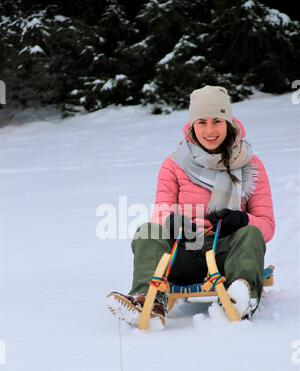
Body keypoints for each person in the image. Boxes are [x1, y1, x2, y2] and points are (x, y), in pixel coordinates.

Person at [106, 85, 275, 328]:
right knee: (148, 231)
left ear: (228, 122)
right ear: (192, 125)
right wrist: (171, 222)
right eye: (201, 121)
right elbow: (161, 212)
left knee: (250, 234)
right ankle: (148, 302)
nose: (209, 130)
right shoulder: (174, 164)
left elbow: (267, 226)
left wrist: (242, 220)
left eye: (217, 120)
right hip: (186, 252)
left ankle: (241, 296)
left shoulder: (251, 165)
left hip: (229, 254)